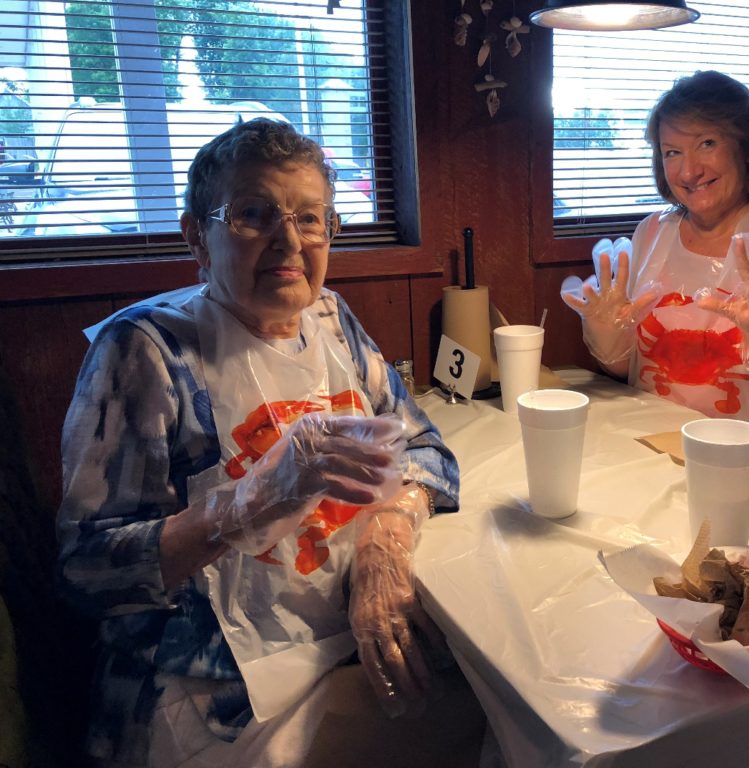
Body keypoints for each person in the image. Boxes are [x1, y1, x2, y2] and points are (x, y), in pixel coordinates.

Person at [56, 118, 475, 766]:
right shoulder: (145, 350)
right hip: (209, 694)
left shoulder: (331, 320)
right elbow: (85, 571)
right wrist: (244, 506)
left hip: (336, 636)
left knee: (497, 694)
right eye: (254, 215)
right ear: (196, 234)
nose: (289, 241)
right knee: (490, 728)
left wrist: (386, 536)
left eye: (311, 220)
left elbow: (426, 448)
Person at [562, 71, 749, 465]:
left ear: (746, 148)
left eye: (706, 143)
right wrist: (606, 329)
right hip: (657, 455)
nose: (688, 172)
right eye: (672, 152)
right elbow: (630, 369)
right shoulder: (650, 234)